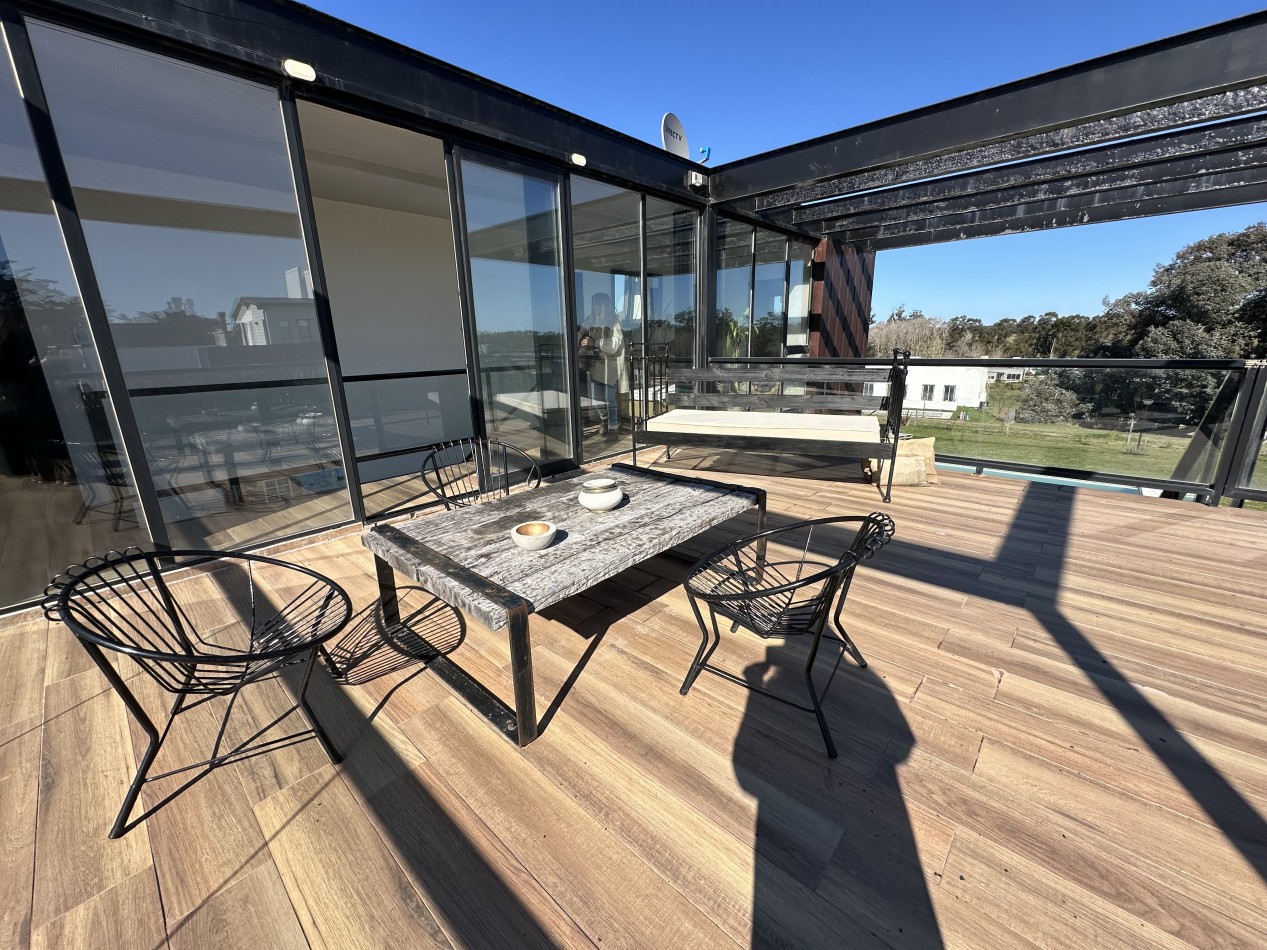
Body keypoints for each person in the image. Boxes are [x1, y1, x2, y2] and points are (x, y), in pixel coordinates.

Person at [580, 292, 628, 437]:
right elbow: (580, 331)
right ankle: (604, 420)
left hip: (611, 367)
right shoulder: (591, 320)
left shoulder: (614, 322)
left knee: (609, 399)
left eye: (596, 304)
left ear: (603, 305)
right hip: (596, 366)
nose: (594, 307)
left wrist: (593, 342)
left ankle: (613, 425)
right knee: (596, 399)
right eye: (592, 304)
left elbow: (613, 346)